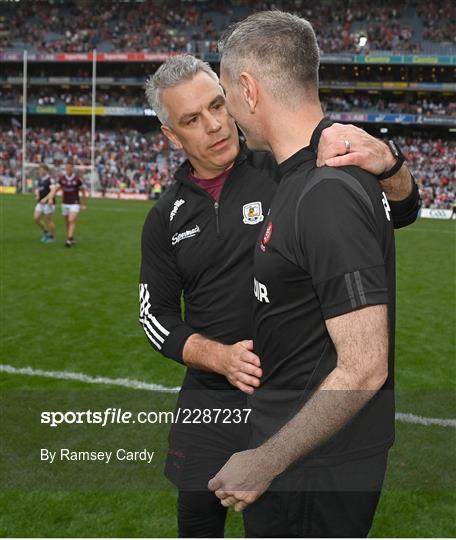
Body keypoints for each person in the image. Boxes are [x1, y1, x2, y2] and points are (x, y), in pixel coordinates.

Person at [140, 55, 420, 538]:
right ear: (171, 135)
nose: (213, 125)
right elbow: (154, 315)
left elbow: (402, 211)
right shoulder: (166, 216)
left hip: (294, 403)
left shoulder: (289, 167)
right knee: (197, 524)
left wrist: (390, 163)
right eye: (191, 119)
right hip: (210, 401)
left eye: (217, 105)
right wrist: (218, 357)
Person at [209, 11, 407, 537]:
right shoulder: (317, 168)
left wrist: (265, 461)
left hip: (312, 470)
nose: (226, 111)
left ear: (249, 90)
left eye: (226, 93)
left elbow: (365, 366)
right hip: (305, 450)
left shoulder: (324, 193)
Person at [44, 161, 87, 247]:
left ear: (72, 168)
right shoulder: (62, 179)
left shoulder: (77, 179)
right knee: (68, 222)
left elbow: (82, 191)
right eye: (66, 167)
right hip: (65, 203)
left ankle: (69, 239)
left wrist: (83, 203)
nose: (68, 169)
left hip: (75, 203)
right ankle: (71, 238)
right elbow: (56, 189)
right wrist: (50, 198)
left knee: (71, 220)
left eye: (69, 167)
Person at [33, 164, 56, 243]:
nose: (40, 171)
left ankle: (52, 237)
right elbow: (38, 189)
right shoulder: (40, 180)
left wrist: (47, 199)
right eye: (39, 170)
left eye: (41, 169)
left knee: (49, 220)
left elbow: (53, 191)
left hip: (48, 203)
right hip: (40, 202)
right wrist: (37, 194)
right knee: (36, 218)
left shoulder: (50, 180)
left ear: (46, 170)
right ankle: (46, 232)